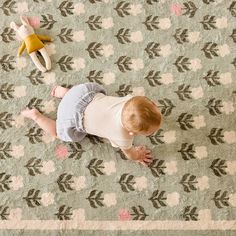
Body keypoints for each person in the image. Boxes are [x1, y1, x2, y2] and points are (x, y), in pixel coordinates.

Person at [21, 82, 162, 166]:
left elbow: (142, 106)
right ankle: (36, 116)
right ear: (132, 133)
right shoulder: (123, 138)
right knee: (58, 133)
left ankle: (64, 92)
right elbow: (130, 154)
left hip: (80, 94)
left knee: (85, 99)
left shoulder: (132, 99)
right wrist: (139, 156)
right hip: (71, 117)